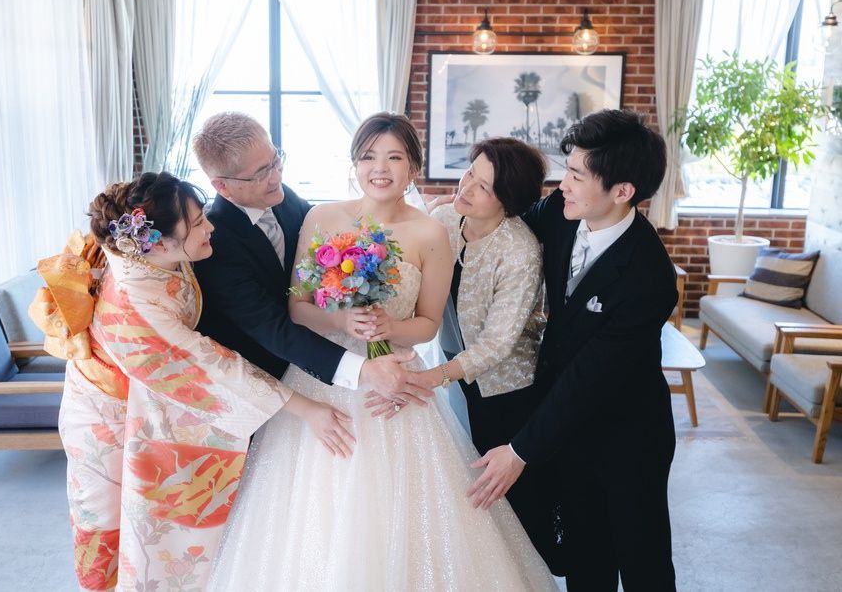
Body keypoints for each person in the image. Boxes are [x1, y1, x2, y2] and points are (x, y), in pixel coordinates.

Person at [208, 112, 558, 591]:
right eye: (369, 156)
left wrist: (390, 327)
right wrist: (341, 320)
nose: (380, 168)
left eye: (394, 157)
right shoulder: (320, 217)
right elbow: (297, 310)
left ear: (413, 166)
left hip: (394, 382)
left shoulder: (432, 232)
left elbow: (428, 324)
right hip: (321, 379)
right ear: (354, 162)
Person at [45, 172, 350, 591]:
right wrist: (307, 408)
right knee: (107, 525)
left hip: (145, 388)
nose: (211, 227)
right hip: (105, 414)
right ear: (159, 243)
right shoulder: (133, 304)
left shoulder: (153, 253)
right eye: (198, 223)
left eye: (204, 215)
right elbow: (212, 367)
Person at [467, 109, 678, 591]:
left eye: (578, 175)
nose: (563, 184)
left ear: (622, 191)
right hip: (567, 428)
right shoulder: (560, 216)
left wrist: (519, 451)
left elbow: (591, 378)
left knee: (642, 561)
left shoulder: (648, 279)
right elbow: (504, 229)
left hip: (629, 433)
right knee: (585, 555)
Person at [192, 112, 429, 441]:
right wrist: (362, 369)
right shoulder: (215, 242)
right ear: (222, 186)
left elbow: (329, 237)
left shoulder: (280, 195)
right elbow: (274, 328)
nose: (276, 176)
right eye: (261, 173)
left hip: (311, 369)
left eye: (276, 160)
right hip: (258, 391)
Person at [395, 137, 564, 574]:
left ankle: (526, 575)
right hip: (451, 368)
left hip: (505, 388)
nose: (466, 187)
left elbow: (498, 344)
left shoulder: (520, 251)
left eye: (483, 186)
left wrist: (436, 376)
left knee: (510, 501)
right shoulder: (445, 220)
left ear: (508, 201)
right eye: (470, 172)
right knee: (463, 487)